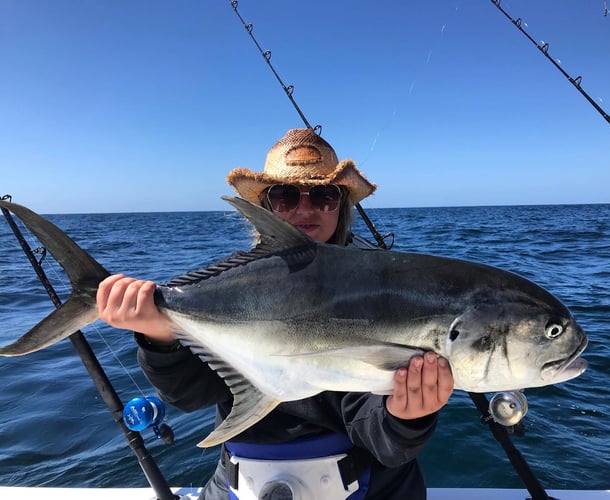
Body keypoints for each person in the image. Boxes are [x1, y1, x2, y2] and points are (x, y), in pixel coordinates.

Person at [97, 128, 454, 499]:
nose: (304, 208)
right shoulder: (229, 284)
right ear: (265, 208)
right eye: (284, 196)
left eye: (323, 194)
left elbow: (382, 435)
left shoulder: (379, 289)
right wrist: (160, 338)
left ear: (341, 205)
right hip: (240, 484)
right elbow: (191, 395)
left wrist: (406, 417)